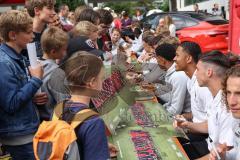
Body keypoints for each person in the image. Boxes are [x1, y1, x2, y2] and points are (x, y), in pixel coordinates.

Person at [0, 10, 43, 159]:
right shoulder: (3, 63)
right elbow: (11, 104)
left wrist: (32, 97)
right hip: (19, 136)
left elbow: (16, 93)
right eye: (28, 32)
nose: (32, 36)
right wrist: (36, 80)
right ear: (13, 35)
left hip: (25, 130)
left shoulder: (16, 57)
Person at [175, 51, 234, 159]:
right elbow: (211, 125)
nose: (196, 73)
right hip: (208, 146)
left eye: (198, 69)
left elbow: (222, 154)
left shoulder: (228, 106)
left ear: (209, 72)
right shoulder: (216, 96)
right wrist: (187, 125)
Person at [59, 52, 114, 160]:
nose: (103, 82)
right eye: (101, 78)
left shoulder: (60, 107)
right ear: (92, 82)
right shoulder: (93, 122)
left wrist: (98, 146)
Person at [209, 65, 240, 160]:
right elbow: (236, 154)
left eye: (239, 94)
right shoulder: (236, 120)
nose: (231, 102)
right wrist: (223, 156)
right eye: (228, 92)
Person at [38, 26, 69, 121]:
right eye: (64, 49)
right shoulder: (57, 73)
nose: (66, 52)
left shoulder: (35, 65)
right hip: (54, 121)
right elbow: (64, 104)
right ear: (53, 51)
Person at [155, 43, 191, 116]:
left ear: (162, 60)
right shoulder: (171, 72)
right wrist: (155, 90)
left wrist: (156, 115)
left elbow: (175, 110)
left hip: (184, 117)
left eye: (157, 59)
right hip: (177, 113)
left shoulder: (178, 76)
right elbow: (170, 99)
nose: (175, 59)